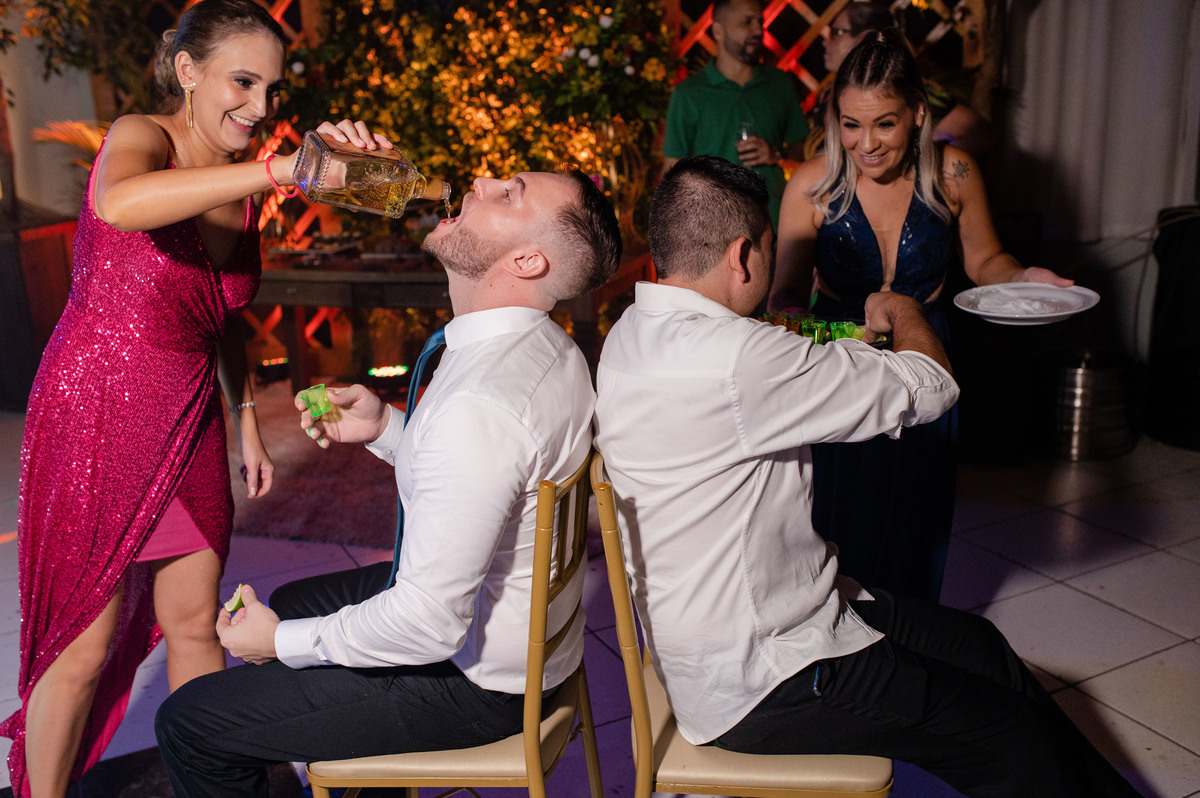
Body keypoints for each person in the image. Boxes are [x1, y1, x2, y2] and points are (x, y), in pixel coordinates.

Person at [593, 155, 1140, 798]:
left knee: (983, 646)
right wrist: (903, 311)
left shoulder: (630, 331)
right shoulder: (741, 359)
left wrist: (839, 338)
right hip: (763, 679)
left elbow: (769, 364)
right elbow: (932, 385)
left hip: (749, 626)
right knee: (1010, 734)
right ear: (742, 256)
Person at [0, 1, 391, 794]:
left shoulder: (241, 187)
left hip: (188, 417)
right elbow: (120, 202)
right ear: (187, 70)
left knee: (193, 623)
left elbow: (217, 313)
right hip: (98, 408)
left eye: (271, 90)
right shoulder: (141, 137)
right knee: (84, 644)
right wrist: (282, 169)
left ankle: (206, 783)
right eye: (242, 82)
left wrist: (244, 419)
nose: (259, 106)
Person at [153, 165, 621, 797]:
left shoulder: (480, 404)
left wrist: (282, 642)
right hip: (524, 643)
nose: (482, 181)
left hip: (474, 684)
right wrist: (385, 427)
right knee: (293, 600)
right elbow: (489, 481)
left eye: (509, 194)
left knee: (188, 723)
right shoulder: (548, 348)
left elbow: (428, 623)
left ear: (528, 261)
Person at [768, 28, 1071, 602]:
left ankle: (912, 637)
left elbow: (985, 260)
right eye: (851, 125)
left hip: (926, 354)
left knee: (918, 517)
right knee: (840, 518)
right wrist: (823, 335)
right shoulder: (811, 184)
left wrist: (1023, 278)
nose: (866, 144)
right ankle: (845, 638)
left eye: (884, 123)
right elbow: (783, 296)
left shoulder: (954, 172)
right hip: (843, 366)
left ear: (918, 113)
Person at [661, 0, 809, 229]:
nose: (758, 30)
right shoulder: (689, 94)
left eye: (760, 22)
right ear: (718, 30)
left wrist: (776, 153)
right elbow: (672, 174)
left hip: (775, 225)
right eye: (747, 22)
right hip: (713, 231)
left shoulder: (779, 83)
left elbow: (805, 152)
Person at [805, 2, 995, 161]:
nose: (825, 41)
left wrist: (924, 174)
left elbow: (978, 133)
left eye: (837, 32)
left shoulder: (900, 89)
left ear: (868, 36)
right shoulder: (828, 93)